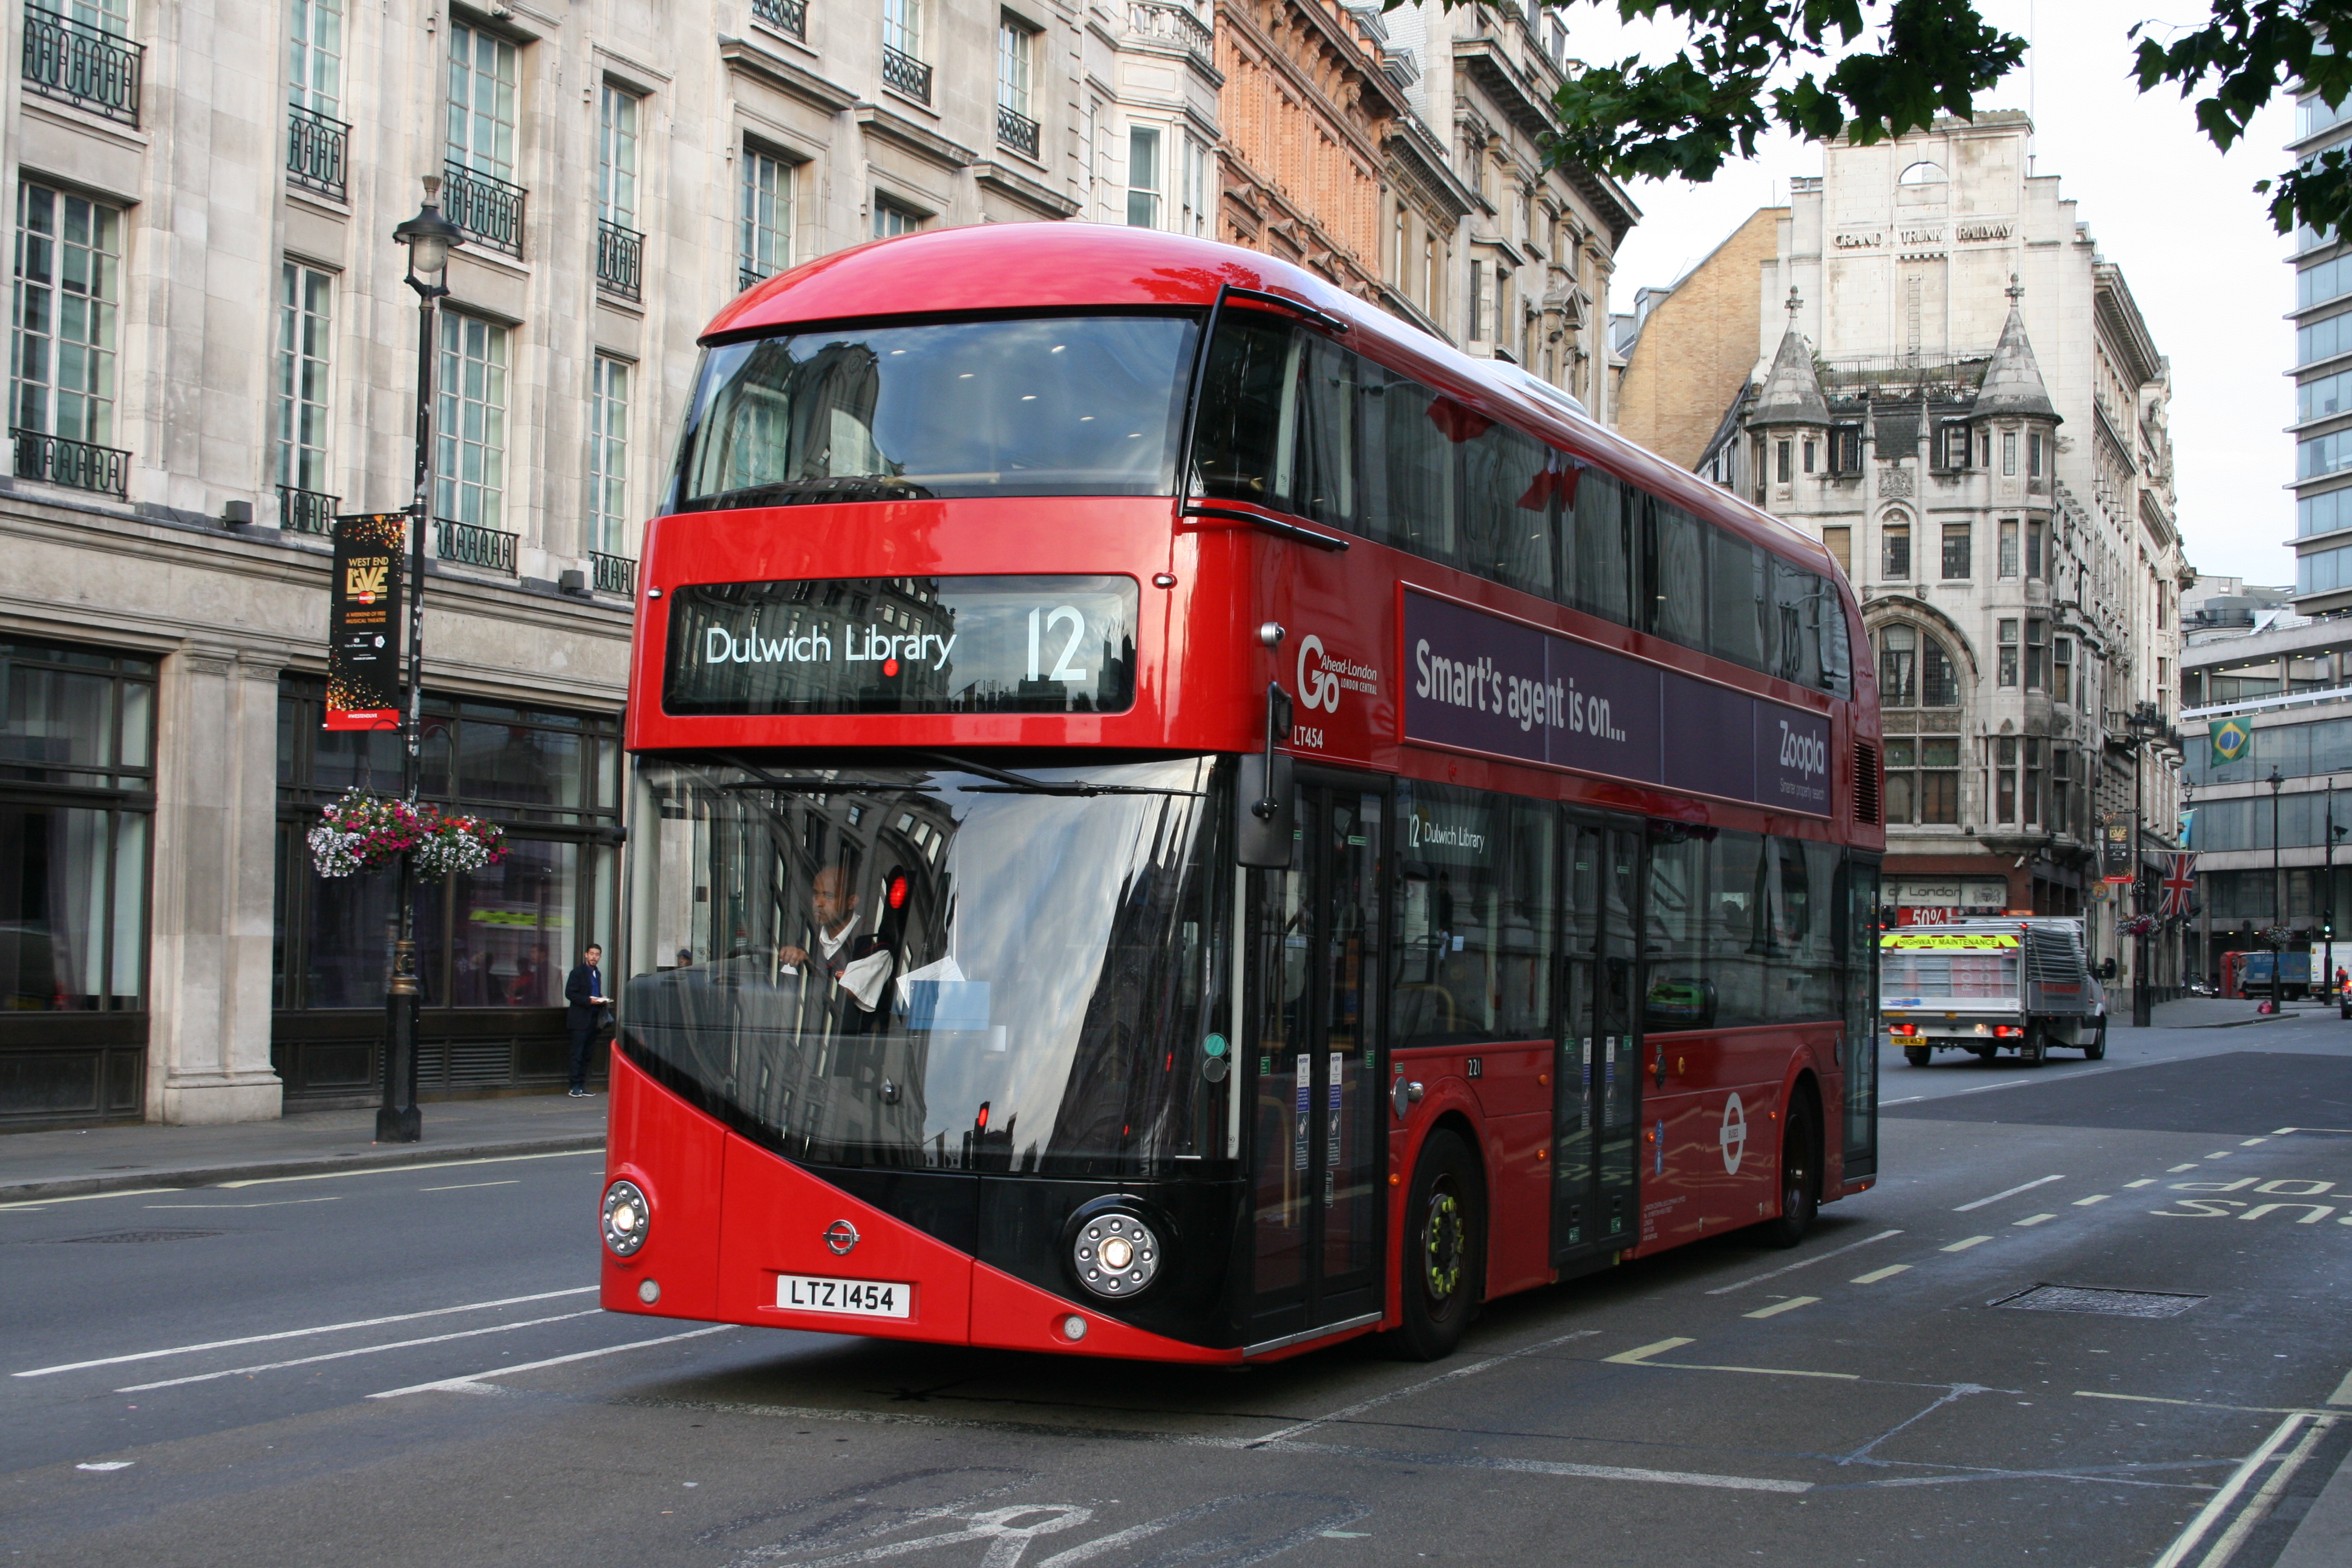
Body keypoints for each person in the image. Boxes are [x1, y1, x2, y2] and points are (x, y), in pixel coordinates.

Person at [779, 864, 895, 1033]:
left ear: (851, 902)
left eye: (829, 896)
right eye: (816, 894)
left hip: (847, 1050)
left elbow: (839, 999)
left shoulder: (875, 948)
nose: (818, 903)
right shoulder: (805, 936)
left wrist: (807, 964)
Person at [563, 943, 611, 1097]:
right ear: (586, 955)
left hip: (594, 1019)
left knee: (588, 1054)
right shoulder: (577, 973)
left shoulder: (597, 974)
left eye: (597, 955)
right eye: (592, 954)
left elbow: (593, 991)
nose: (594, 957)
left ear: (600, 957)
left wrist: (601, 998)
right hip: (580, 1019)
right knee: (577, 1053)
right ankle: (574, 1086)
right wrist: (589, 1001)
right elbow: (570, 993)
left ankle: (583, 1084)